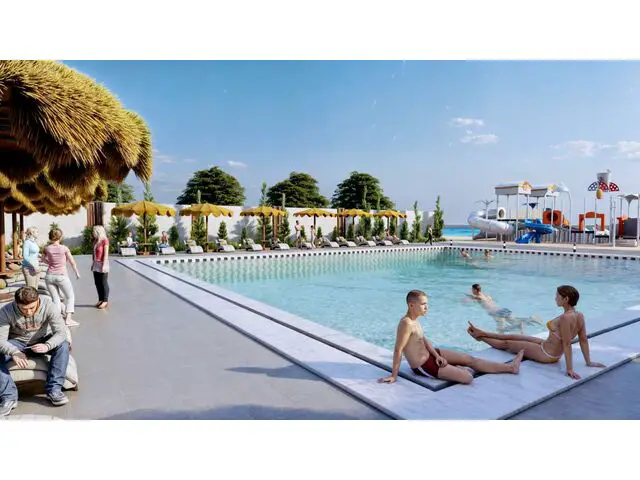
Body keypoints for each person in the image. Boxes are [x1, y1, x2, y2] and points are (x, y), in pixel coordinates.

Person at [378, 290, 523, 385]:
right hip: (424, 366)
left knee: (470, 359)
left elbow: (423, 340)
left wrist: (437, 356)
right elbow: (398, 350)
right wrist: (394, 375)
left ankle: (511, 367)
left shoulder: (415, 320)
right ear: (411, 305)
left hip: (431, 355)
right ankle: (456, 368)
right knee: (468, 378)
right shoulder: (406, 323)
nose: (426, 307)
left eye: (427, 304)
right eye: (423, 304)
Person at [467, 285, 606, 380]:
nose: (555, 298)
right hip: (547, 346)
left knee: (507, 343)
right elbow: (583, 339)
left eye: (557, 296)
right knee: (515, 336)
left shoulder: (566, 318)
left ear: (566, 299)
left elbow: (567, 343)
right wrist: (588, 362)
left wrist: (569, 369)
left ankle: (480, 336)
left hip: (547, 354)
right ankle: (481, 332)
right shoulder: (579, 315)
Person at [0, 286, 71, 416]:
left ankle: (54, 390)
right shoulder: (6, 311)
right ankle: (8, 397)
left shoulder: (48, 305)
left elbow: (61, 333)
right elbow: (0, 340)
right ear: (16, 303)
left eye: (32, 308)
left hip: (42, 341)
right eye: (23, 309)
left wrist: (47, 345)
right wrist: (14, 352)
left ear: (38, 300)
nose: (28, 312)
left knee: (63, 344)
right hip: (17, 343)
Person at [42, 229, 81, 327]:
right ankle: (68, 320)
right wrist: (76, 273)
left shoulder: (47, 249)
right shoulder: (64, 248)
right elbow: (72, 262)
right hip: (61, 276)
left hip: (49, 276)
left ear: (50, 237)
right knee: (70, 297)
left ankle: (57, 320)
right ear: (60, 237)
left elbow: (42, 259)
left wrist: (49, 263)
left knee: (55, 299)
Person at [467, 283, 542, 332]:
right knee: (514, 321)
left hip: (496, 313)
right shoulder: (487, 295)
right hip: (502, 310)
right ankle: (531, 319)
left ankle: (518, 326)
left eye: (472, 289)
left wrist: (467, 296)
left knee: (500, 330)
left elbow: (470, 297)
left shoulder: (479, 297)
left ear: (475, 290)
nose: (471, 290)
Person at [91, 225, 110, 310]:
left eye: (94, 231)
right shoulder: (95, 241)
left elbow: (106, 254)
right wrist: (93, 263)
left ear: (98, 232)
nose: (93, 233)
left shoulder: (105, 240)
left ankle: (105, 300)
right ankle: (100, 299)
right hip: (96, 263)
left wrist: (104, 265)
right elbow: (94, 254)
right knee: (97, 283)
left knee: (103, 282)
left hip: (103, 263)